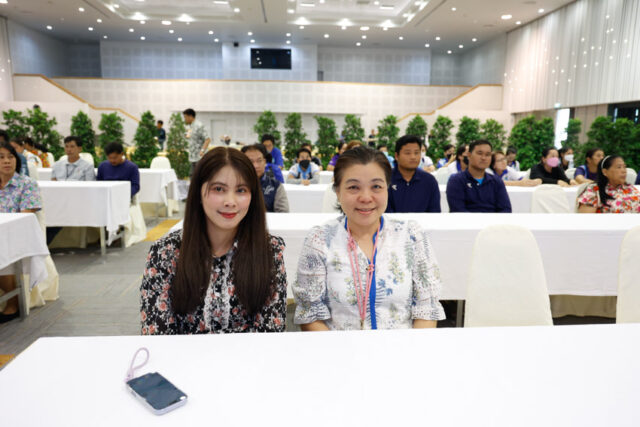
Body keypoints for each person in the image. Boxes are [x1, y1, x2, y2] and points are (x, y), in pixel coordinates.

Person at [293, 146, 445, 330]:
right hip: (337, 346)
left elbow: (427, 309)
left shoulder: (411, 236)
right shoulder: (320, 240)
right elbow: (310, 314)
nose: (366, 197)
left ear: (387, 189)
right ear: (338, 191)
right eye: (353, 187)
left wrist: (409, 348)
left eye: (376, 187)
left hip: (403, 346)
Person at [140, 147, 287, 334]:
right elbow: (157, 335)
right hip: (179, 354)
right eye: (219, 189)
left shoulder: (269, 251)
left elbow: (270, 333)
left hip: (252, 354)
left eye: (241, 190)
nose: (230, 201)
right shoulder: (165, 253)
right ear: (198, 193)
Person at [0, 142, 42, 322]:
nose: (6, 161)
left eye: (10, 157)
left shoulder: (27, 184)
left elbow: (25, 219)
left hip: (17, 236)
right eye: (1, 158)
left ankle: (13, 302)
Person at [446, 140, 512, 213]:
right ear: (469, 155)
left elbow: (506, 209)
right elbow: (458, 211)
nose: (484, 158)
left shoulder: (496, 181)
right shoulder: (456, 181)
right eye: (479, 153)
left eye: (488, 154)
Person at [386, 135, 440, 213]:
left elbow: (435, 212)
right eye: (408, 153)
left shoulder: (429, 181)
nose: (413, 157)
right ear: (397, 156)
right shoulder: (386, 178)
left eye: (417, 153)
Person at [241, 144, 289, 213]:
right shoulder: (235, 185)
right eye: (250, 161)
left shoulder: (276, 185)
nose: (256, 165)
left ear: (265, 162)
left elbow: (283, 213)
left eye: (259, 160)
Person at [183, 108, 211, 176]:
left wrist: (202, 151)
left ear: (190, 116)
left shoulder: (199, 125)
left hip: (199, 157)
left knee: (199, 177)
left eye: (185, 117)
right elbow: (191, 137)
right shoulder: (190, 126)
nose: (185, 119)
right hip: (192, 157)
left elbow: (207, 139)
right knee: (192, 176)